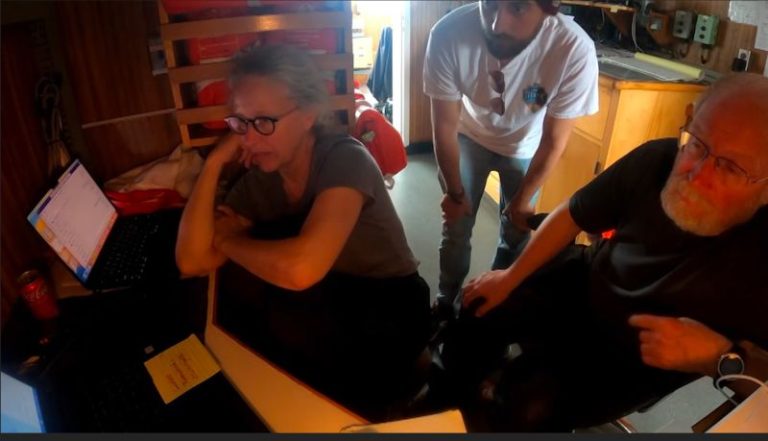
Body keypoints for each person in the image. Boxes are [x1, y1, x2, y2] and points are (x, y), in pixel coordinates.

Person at [446, 73, 768, 431]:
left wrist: (716, 356)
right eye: (697, 144)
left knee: (528, 407)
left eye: (731, 167)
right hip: (587, 283)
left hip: (636, 355)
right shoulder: (658, 158)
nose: (698, 174)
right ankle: (446, 405)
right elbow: (572, 214)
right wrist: (509, 277)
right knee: (476, 307)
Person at [175, 44, 431, 419]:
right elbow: (191, 260)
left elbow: (301, 269)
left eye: (264, 122)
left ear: (309, 114)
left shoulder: (345, 158)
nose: (248, 140)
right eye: (241, 123)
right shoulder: (264, 175)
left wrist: (227, 240)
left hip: (389, 306)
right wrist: (214, 163)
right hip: (334, 298)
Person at [423, 0, 599, 320]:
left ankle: (495, 305)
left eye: (517, 8)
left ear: (549, 8)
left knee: (517, 232)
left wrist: (522, 201)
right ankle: (446, 302)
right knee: (457, 226)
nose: (496, 25)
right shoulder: (447, 33)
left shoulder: (574, 49)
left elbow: (554, 139)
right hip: (469, 135)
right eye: (490, 4)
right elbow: (444, 127)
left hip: (526, 145)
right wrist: (454, 193)